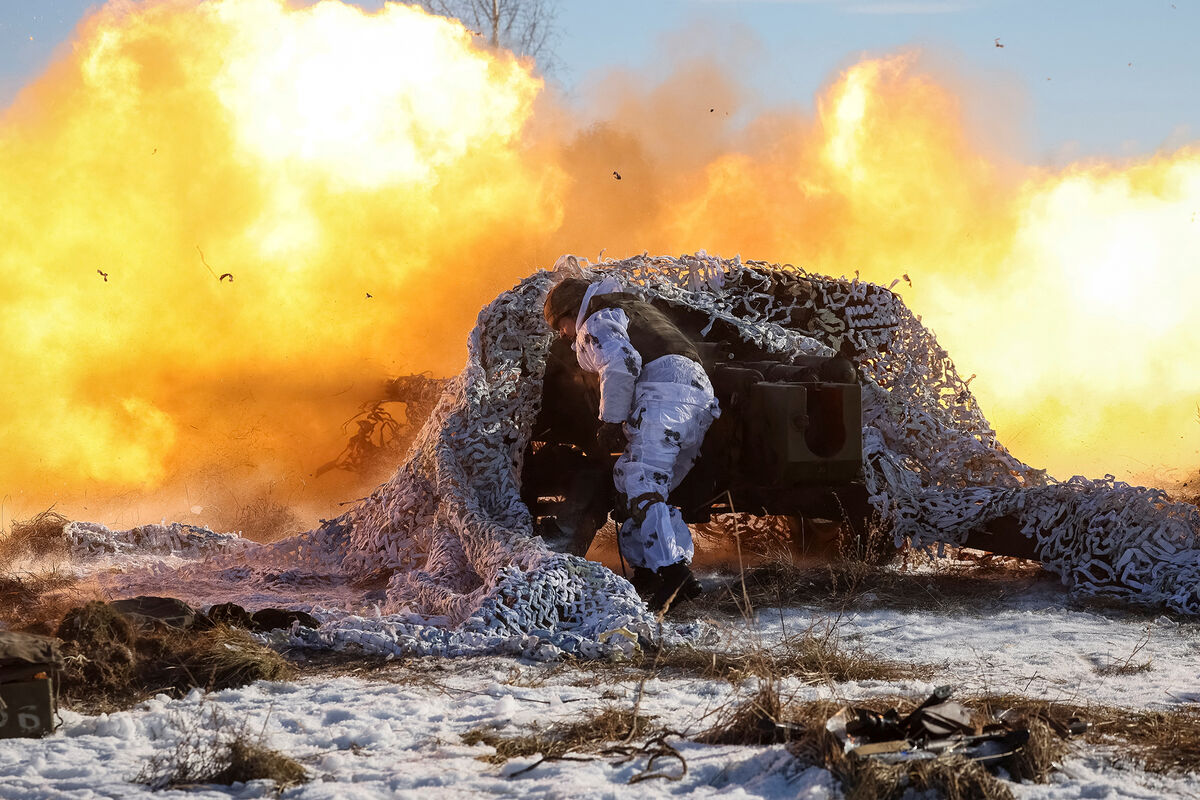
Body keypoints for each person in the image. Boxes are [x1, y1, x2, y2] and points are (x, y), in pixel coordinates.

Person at [543, 276, 720, 611]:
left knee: (641, 480)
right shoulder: (634, 308)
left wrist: (610, 420)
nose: (564, 335)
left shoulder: (596, 319)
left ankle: (674, 574)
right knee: (639, 485)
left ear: (570, 312)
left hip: (664, 394)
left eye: (560, 326)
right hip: (696, 395)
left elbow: (623, 363)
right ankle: (650, 570)